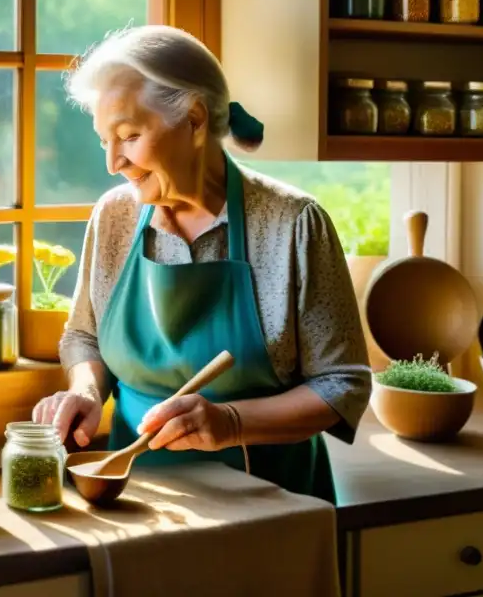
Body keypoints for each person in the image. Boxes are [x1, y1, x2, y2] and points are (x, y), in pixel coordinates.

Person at [32, 25, 372, 503]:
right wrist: (86, 391)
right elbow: (84, 334)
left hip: (272, 500)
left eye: (129, 136)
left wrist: (230, 423)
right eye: (105, 140)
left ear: (193, 120)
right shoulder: (114, 215)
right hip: (137, 494)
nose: (114, 162)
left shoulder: (293, 223)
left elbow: (343, 384)